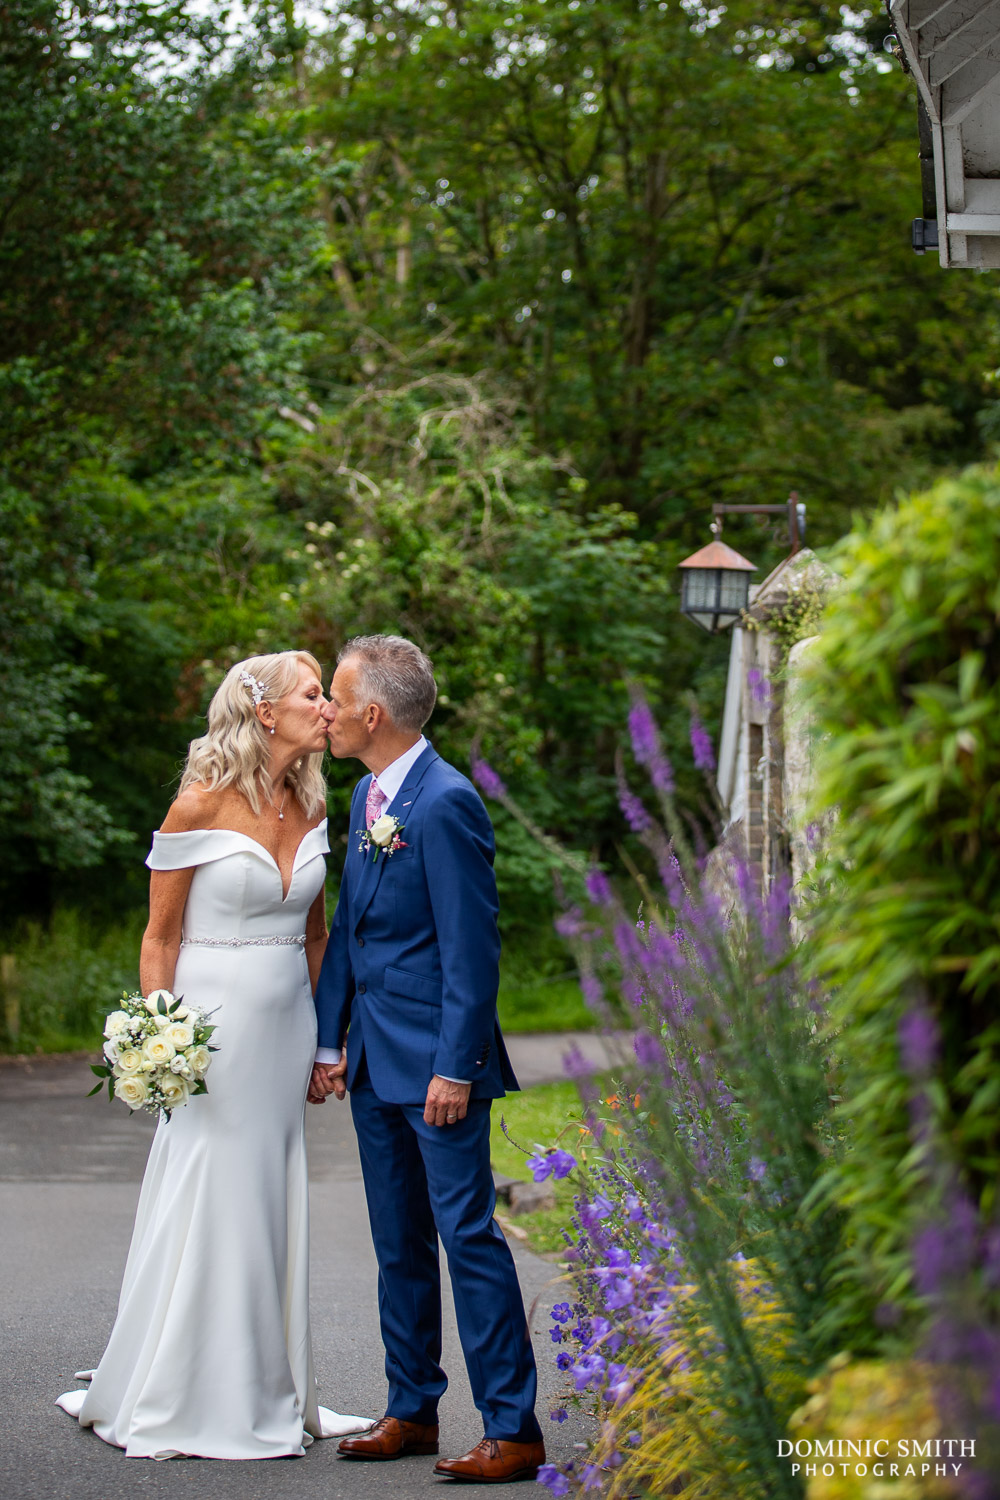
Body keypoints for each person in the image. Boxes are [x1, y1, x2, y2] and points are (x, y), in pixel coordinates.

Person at [56, 651, 373, 1460]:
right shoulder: (196, 806)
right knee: (209, 1185)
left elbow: (315, 934)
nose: (327, 709)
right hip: (210, 1025)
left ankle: (273, 1384)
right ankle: (183, 1388)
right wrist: (160, 1035)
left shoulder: (312, 805)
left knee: (268, 1191)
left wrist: (326, 1039)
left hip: (284, 1026)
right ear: (265, 712)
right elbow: (158, 938)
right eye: (313, 696)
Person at [309, 633, 545, 1483]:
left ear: (373, 713)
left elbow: (472, 951)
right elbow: (348, 933)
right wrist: (329, 1039)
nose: (326, 713)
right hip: (375, 1061)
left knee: (467, 1237)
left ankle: (513, 1430)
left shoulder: (445, 803)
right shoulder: (369, 795)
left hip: (440, 1070)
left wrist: (457, 1065)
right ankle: (410, 1410)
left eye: (334, 699)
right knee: (397, 1242)